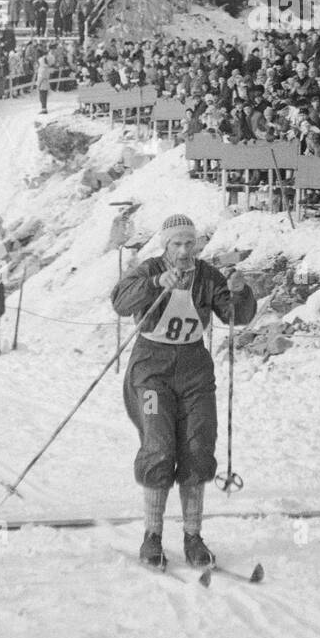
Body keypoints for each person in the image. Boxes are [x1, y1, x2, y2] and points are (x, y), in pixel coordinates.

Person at [111, 213, 257, 570]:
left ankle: (193, 536)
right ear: (165, 245)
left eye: (189, 243)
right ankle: (153, 537)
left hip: (193, 366)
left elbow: (235, 315)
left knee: (197, 447)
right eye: (176, 243)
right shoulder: (149, 269)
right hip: (151, 365)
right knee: (159, 447)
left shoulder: (206, 275)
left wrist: (240, 292)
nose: (183, 250)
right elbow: (119, 301)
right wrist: (156, 282)